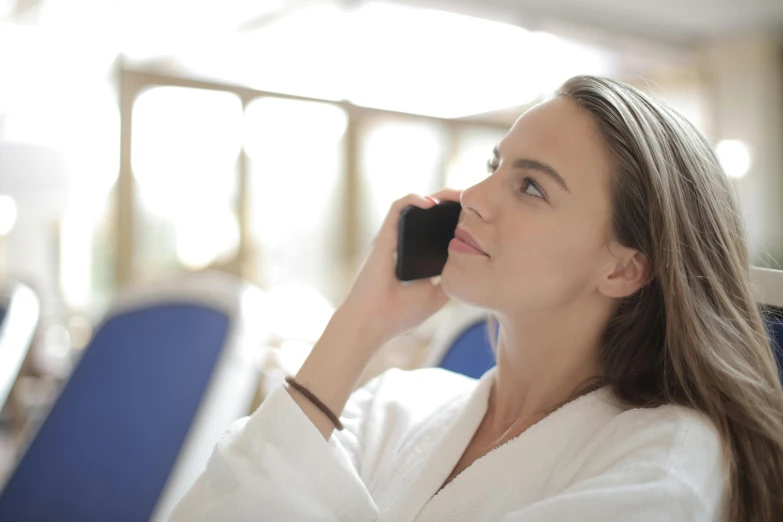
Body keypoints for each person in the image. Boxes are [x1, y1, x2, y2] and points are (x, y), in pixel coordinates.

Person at [169, 76, 783, 522]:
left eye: (532, 186)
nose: (476, 196)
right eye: (495, 163)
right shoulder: (400, 404)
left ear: (624, 268)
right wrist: (359, 324)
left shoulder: (666, 460)